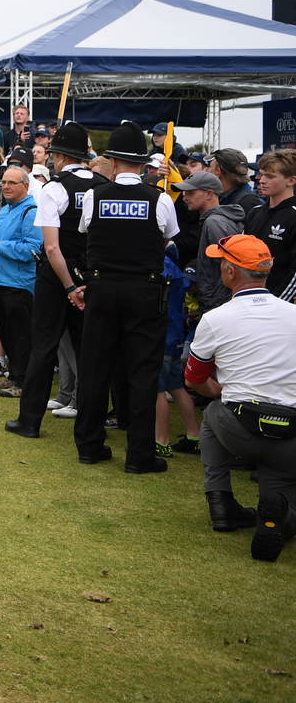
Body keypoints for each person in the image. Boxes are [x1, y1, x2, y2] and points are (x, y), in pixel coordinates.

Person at [69, 121, 180, 473]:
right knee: (142, 372)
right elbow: (166, 240)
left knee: (95, 368)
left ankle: (89, 445)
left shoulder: (93, 197)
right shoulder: (159, 199)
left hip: (102, 287)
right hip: (144, 290)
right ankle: (140, 455)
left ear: (113, 162)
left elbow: (88, 233)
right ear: (142, 162)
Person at [184, 234, 296, 560]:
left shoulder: (216, 318)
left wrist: (221, 392)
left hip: (240, 426)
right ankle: (279, 518)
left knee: (214, 413)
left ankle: (221, 504)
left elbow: (194, 379)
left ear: (230, 272)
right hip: (290, 431)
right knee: (282, 488)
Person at [9, 122, 101, 436]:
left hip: (58, 275)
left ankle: (30, 421)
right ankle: (91, 422)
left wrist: (69, 286)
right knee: (88, 350)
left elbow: (51, 246)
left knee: (44, 348)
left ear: (58, 156)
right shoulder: (103, 184)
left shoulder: (56, 187)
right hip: (91, 274)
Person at [0, 166, 42, 401]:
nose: (5, 186)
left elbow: (32, 249)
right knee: (7, 333)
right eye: (3, 182)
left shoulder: (31, 211)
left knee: (21, 335)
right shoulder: (5, 211)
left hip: (19, 283)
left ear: (25, 186)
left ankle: (24, 380)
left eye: (11, 183)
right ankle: (15, 374)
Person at [173, 170, 243, 313]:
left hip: (219, 305)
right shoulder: (212, 220)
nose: (184, 197)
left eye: (190, 193)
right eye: (184, 193)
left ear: (209, 194)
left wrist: (214, 303)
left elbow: (229, 266)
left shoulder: (214, 222)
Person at [245, 149, 296, 303]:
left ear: (291, 180)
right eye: (261, 174)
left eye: (270, 176)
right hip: (248, 301)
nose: (261, 180)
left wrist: (275, 305)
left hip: (280, 306)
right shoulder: (254, 212)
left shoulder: (293, 216)